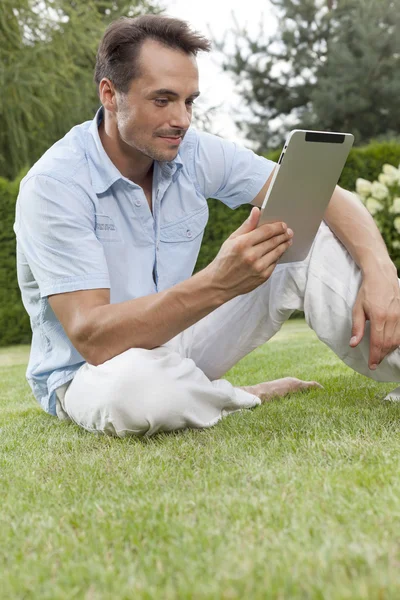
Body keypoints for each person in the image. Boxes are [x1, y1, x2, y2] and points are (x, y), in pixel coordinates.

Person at [13, 15, 400, 438]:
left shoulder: (190, 151)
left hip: (177, 340)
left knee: (302, 235)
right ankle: (239, 396)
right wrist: (219, 281)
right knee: (137, 393)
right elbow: (92, 337)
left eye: (189, 101)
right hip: (94, 372)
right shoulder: (55, 185)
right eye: (163, 100)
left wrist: (379, 271)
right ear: (110, 94)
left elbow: (328, 196)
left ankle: (196, 392)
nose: (182, 119)